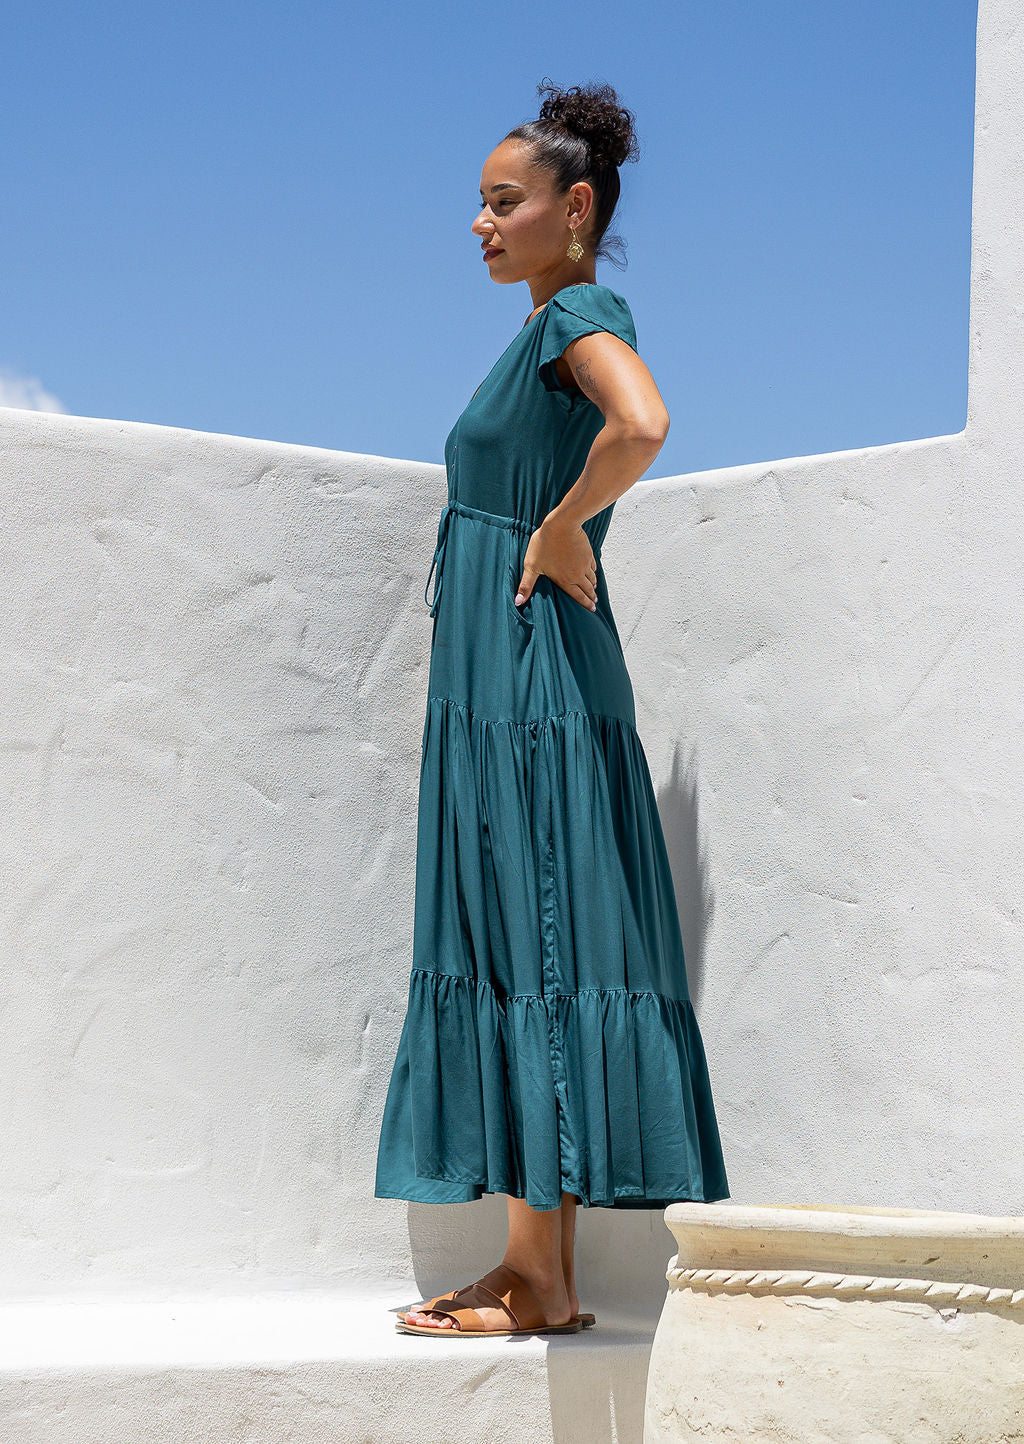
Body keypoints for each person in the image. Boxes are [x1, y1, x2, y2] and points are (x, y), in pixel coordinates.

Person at [375, 78, 730, 1338]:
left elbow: (642, 421)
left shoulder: (573, 310)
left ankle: (535, 1274)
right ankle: (541, 1271)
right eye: (478, 202)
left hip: (527, 677)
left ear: (572, 211)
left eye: (501, 201)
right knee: (534, 933)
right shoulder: (538, 326)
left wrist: (565, 523)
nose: (478, 222)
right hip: (512, 677)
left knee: (532, 933)